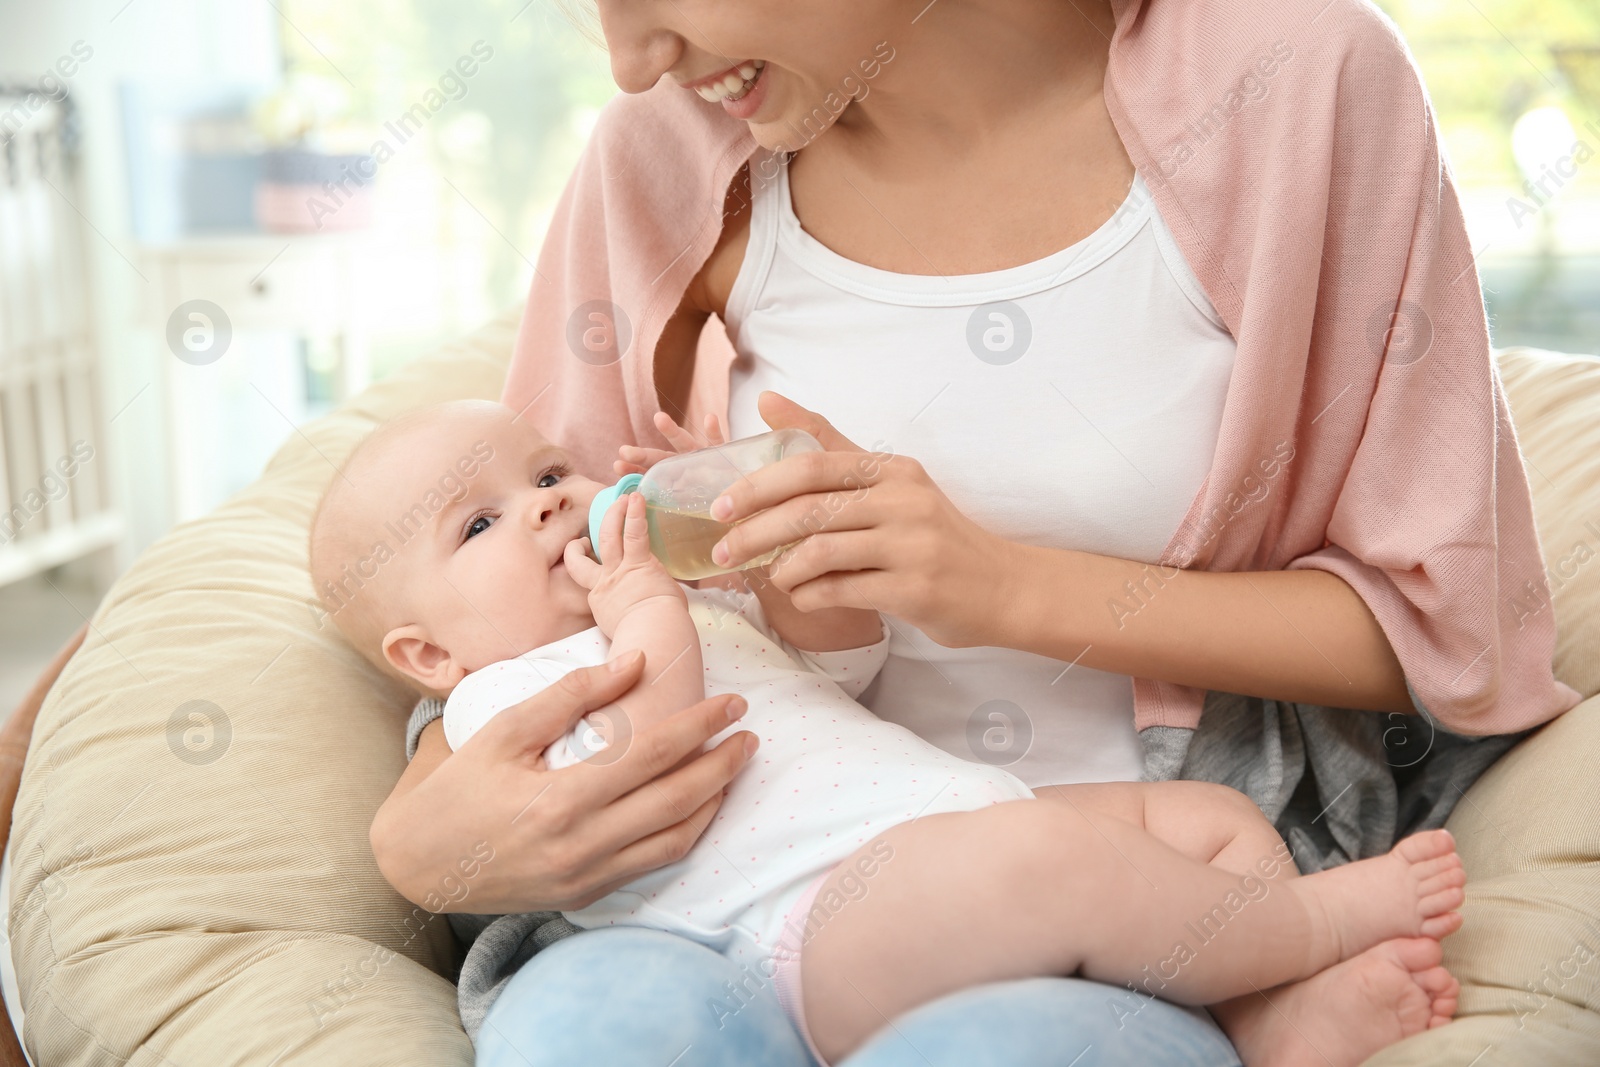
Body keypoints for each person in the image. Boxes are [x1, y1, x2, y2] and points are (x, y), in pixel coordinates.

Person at [368, 1, 1582, 1063]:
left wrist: (998, 585)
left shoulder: (1298, 80)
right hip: (712, 895)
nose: (632, 60)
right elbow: (513, 604)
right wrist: (421, 836)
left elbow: (1444, 633)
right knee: (586, 1036)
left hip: (1128, 878)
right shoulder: (663, 153)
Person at [317, 399, 1465, 1066]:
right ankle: (1312, 923)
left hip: (946, 835)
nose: (548, 504)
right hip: (813, 930)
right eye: (482, 521)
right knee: (1046, 862)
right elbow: (652, 774)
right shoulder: (493, 708)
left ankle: (1259, 1012)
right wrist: (649, 611)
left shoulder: (688, 606)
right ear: (428, 652)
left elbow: (840, 668)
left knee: (1201, 817)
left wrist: (783, 569)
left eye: (548, 470)